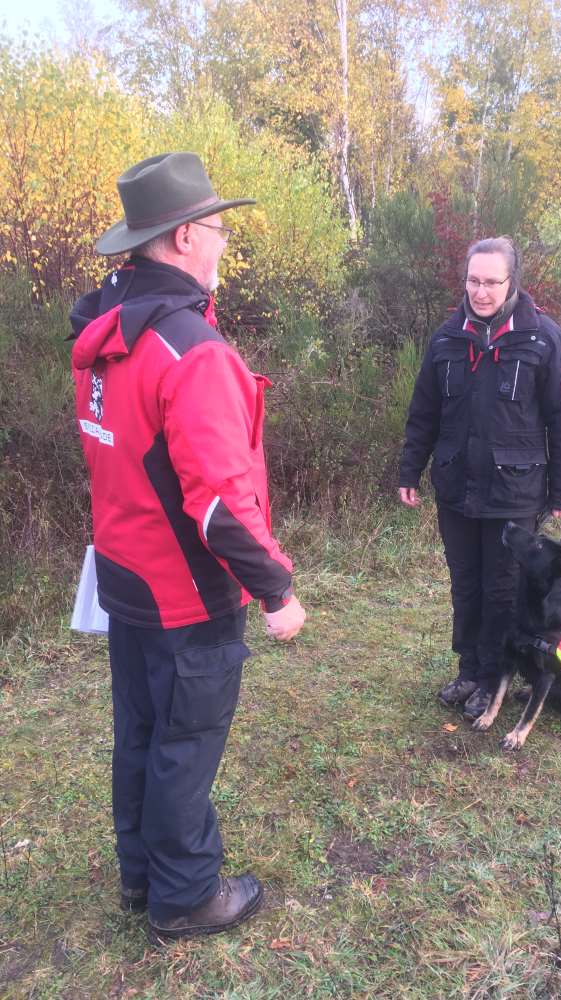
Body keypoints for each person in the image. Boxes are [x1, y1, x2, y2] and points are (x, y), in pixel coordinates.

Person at [69, 152, 306, 941]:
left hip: (125, 576)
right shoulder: (190, 351)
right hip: (183, 591)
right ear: (178, 241)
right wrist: (276, 589)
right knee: (186, 741)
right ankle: (184, 895)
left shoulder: (106, 338)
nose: (223, 245)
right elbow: (218, 507)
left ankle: (142, 878)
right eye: (216, 230)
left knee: (141, 730)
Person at [398, 237, 561, 721]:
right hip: (456, 487)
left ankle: (493, 678)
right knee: (465, 584)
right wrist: (409, 468)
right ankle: (470, 669)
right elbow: (424, 412)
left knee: (502, 590)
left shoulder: (543, 338)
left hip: (514, 491)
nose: (480, 291)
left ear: (511, 282)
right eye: (473, 280)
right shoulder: (446, 338)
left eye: (491, 282)